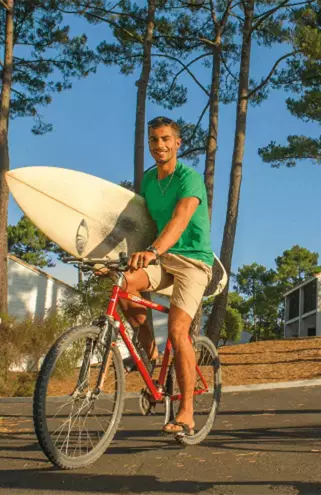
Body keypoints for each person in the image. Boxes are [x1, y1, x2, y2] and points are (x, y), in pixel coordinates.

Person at [113, 116, 214, 435]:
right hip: (161, 258)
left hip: (193, 262)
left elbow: (180, 220)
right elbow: (140, 224)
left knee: (178, 330)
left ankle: (186, 412)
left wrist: (153, 252)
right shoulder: (148, 180)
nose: (160, 145)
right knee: (123, 285)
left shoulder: (190, 178)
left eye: (166, 139)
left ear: (178, 143)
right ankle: (151, 353)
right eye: (154, 140)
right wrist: (115, 258)